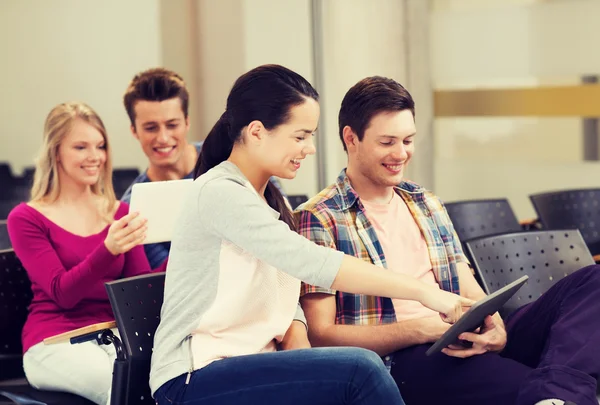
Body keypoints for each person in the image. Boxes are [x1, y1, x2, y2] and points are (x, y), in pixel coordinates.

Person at [149, 65, 473, 405]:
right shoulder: (219, 193)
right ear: (258, 132)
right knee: (360, 368)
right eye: (300, 136)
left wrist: (305, 358)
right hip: (192, 378)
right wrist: (425, 293)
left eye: (312, 135)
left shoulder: (268, 199)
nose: (310, 148)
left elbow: (286, 302)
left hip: (251, 365)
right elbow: (314, 263)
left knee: (349, 372)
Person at [297, 76, 597, 405]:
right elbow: (321, 335)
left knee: (593, 281)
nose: (401, 153)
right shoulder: (320, 217)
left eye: (408, 140)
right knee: (529, 388)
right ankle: (559, 393)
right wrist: (419, 329)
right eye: (387, 142)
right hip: (406, 358)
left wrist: (496, 327)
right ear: (350, 138)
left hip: (462, 332)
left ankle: (557, 393)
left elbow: (468, 288)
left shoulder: (425, 201)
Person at [7, 102, 154, 405]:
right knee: (123, 387)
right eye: (81, 147)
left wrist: (184, 255)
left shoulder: (119, 212)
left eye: (100, 146)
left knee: (174, 377)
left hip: (115, 338)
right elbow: (63, 293)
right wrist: (108, 249)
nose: (94, 157)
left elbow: (138, 291)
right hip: (54, 343)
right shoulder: (26, 218)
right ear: (56, 152)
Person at [121, 68, 285, 268]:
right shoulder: (134, 206)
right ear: (134, 131)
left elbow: (280, 214)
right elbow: (168, 274)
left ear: (187, 122)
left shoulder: (232, 155)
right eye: (150, 128)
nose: (163, 138)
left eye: (172, 125)